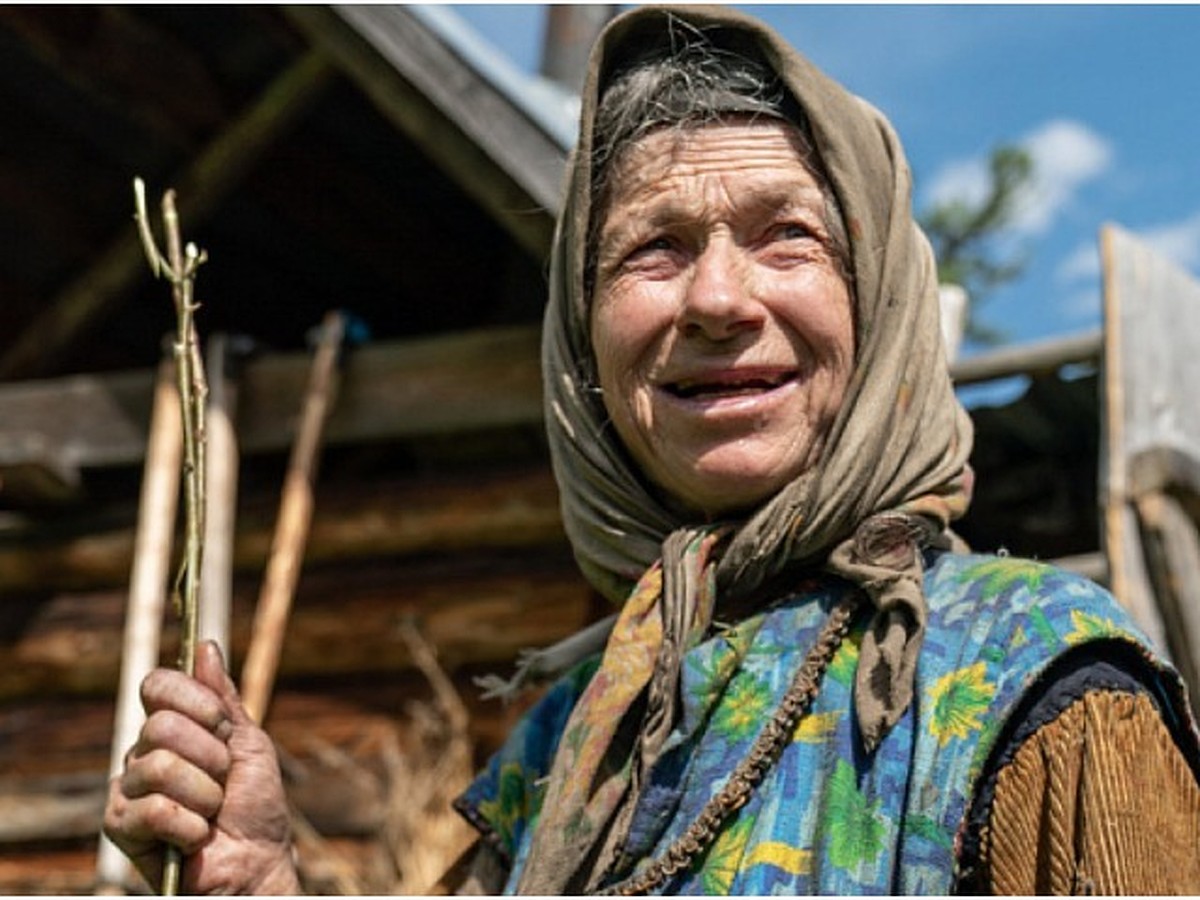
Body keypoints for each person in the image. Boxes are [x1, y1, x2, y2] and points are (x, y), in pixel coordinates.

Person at [104, 5, 1200, 894]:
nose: (719, 299)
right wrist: (262, 883)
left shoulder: (1041, 685)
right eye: (653, 251)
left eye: (787, 236)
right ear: (583, 348)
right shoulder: (575, 734)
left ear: (881, 306)